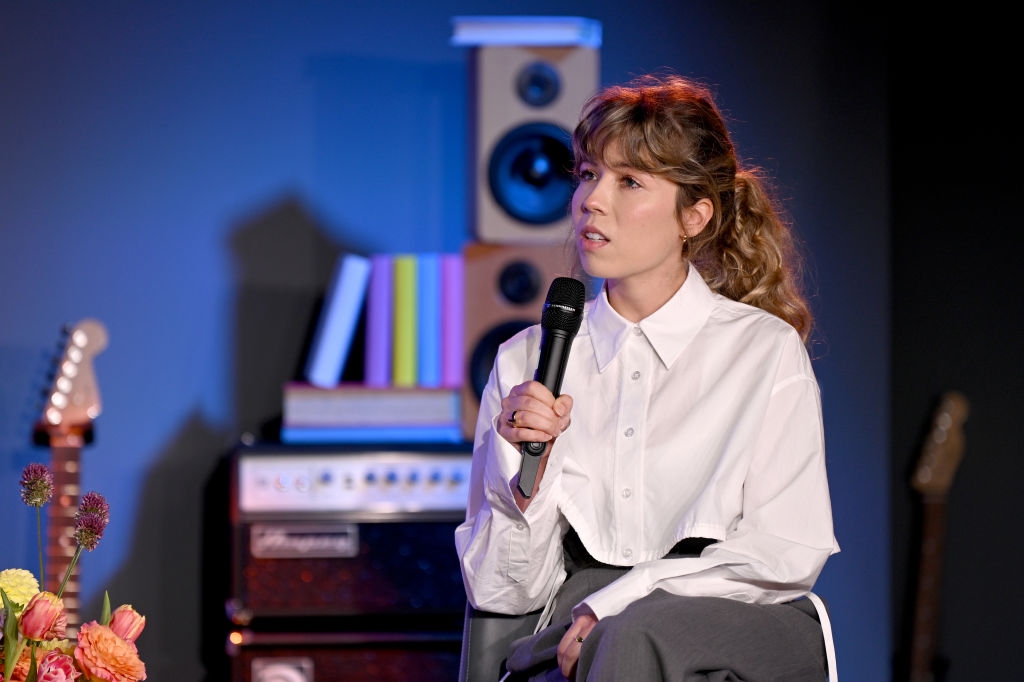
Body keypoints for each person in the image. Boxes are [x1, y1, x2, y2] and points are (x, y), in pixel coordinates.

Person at [455, 73, 839, 681]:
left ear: (694, 216)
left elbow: (786, 551)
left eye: (629, 181)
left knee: (630, 638)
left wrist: (621, 603)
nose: (591, 200)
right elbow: (501, 594)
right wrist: (527, 479)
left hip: (727, 625)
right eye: (588, 174)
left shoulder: (763, 351)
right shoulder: (525, 361)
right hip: (573, 635)